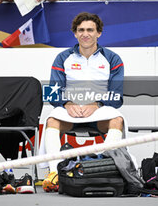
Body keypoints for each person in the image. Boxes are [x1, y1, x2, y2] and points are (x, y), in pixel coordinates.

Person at [40, 12, 125, 192]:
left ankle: (102, 170)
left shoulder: (113, 58)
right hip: (70, 111)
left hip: (100, 110)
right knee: (52, 121)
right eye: (81, 30)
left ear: (99, 33)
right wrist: (67, 104)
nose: (85, 34)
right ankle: (55, 174)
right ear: (75, 34)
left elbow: (116, 96)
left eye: (90, 30)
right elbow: (53, 92)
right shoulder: (62, 58)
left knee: (117, 121)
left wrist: (95, 105)